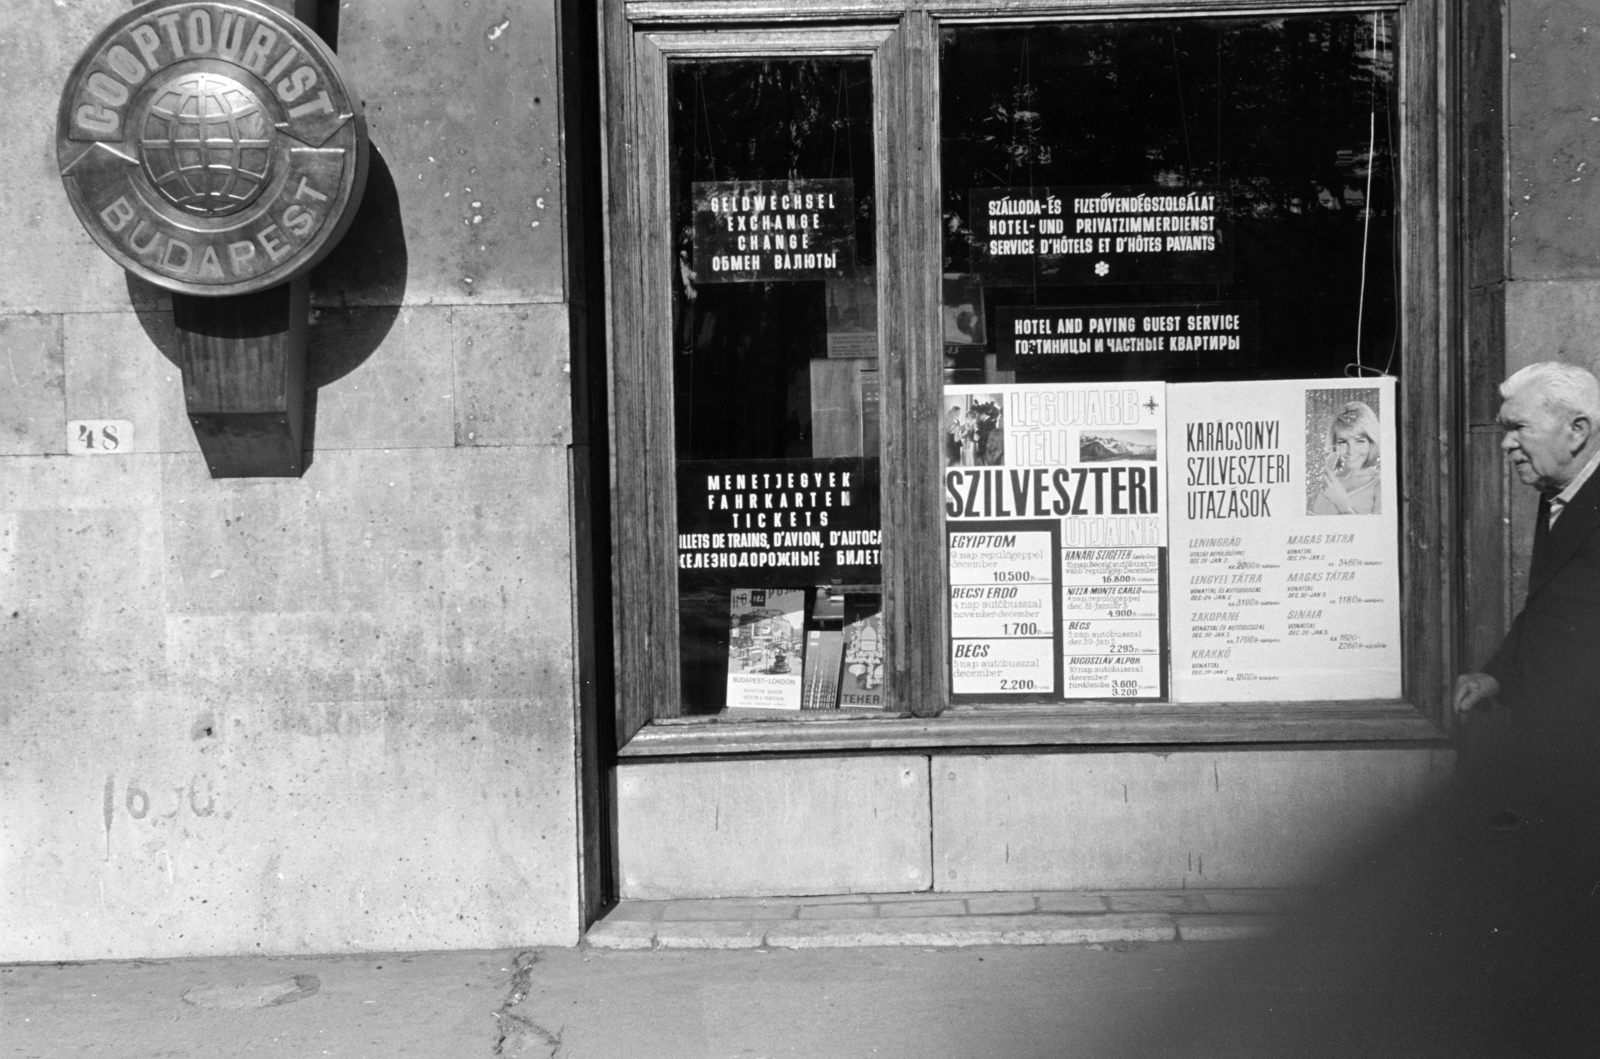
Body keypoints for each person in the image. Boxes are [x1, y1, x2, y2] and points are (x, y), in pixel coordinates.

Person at [1310, 401, 1382, 515]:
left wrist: (1343, 505)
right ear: (1334, 444)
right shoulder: (1331, 482)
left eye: (1359, 441)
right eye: (1342, 442)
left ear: (1371, 442)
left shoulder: (1380, 483)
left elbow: (1377, 532)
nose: (1351, 451)